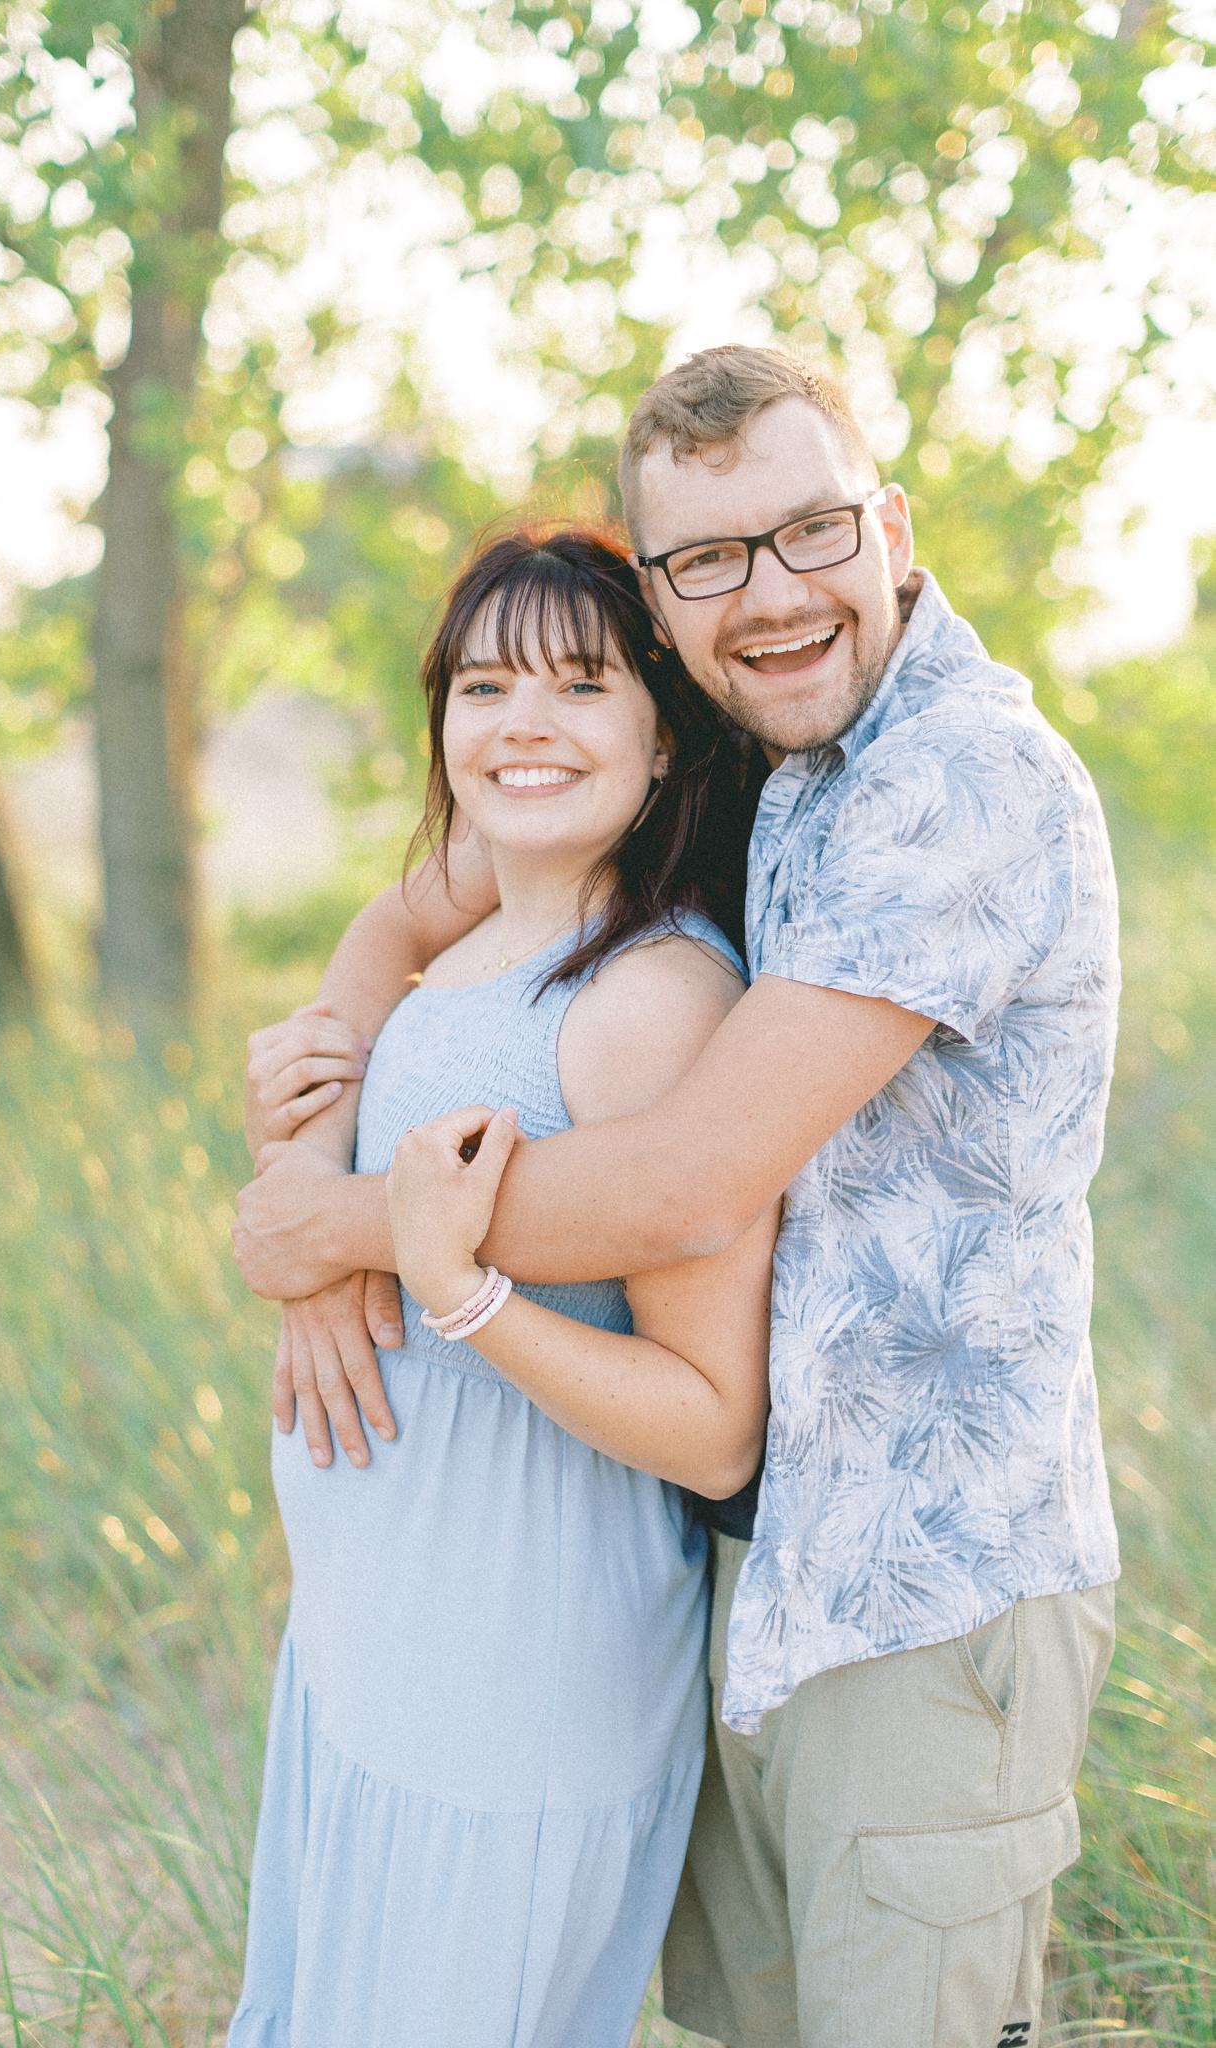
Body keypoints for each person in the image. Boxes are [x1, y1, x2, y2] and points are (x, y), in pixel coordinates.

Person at [235, 345, 1122, 2048]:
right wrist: (323, 1095)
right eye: (707, 560)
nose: (769, 595)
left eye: (806, 534)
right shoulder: (760, 754)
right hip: (755, 1568)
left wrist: (347, 1236)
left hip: (920, 1586)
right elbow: (418, 910)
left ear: (891, 526)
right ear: (662, 592)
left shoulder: (957, 782)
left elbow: (693, 1179)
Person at [226, 525, 779, 2048]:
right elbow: (386, 924)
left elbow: (711, 1428)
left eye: (578, 684)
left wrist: (447, 1285)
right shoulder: (478, 912)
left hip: (514, 1649)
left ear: (663, 736)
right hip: (375, 1643)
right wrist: (315, 1182)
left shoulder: (648, 1001)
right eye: (482, 685)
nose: (520, 722)